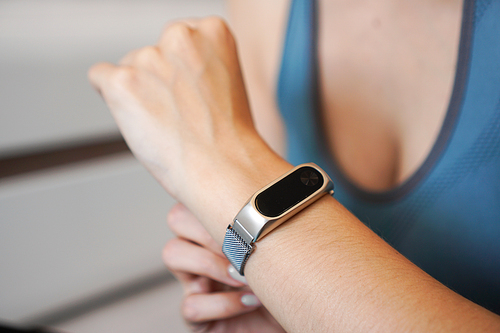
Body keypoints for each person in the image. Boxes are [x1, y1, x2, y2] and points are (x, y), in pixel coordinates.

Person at [88, 0, 500, 331]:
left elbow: (249, 195)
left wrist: (216, 159)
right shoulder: (269, 9)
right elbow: (256, 246)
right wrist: (276, 298)